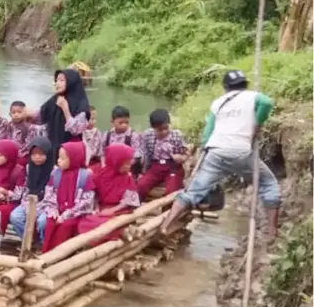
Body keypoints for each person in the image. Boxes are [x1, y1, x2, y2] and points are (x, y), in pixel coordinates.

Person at [160, 70, 280, 237]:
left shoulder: (218, 103)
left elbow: (208, 132)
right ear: (245, 84)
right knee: (268, 184)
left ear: (225, 87)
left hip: (216, 151)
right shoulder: (253, 96)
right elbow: (267, 103)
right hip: (241, 152)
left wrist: (204, 150)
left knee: (192, 192)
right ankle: (272, 230)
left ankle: (166, 224)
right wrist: (257, 124)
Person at [77, 144, 141, 244]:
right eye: (126, 164)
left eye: (129, 164)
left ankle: (117, 234)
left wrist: (112, 210)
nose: (129, 167)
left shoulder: (128, 178)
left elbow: (129, 201)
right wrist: (96, 207)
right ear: (115, 162)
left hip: (119, 210)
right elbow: (95, 194)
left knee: (105, 225)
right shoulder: (101, 175)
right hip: (102, 209)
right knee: (84, 222)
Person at [39, 141, 96, 253]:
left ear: (74, 159)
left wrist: (66, 215)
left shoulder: (84, 176)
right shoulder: (56, 173)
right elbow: (50, 193)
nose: (58, 161)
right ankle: (46, 252)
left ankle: (58, 254)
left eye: (63, 158)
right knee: (50, 222)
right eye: (58, 157)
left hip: (75, 214)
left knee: (66, 225)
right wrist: (53, 209)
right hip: (58, 210)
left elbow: (86, 202)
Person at [36, 69, 91, 161]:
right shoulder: (55, 98)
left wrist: (65, 108)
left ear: (71, 82)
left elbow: (76, 130)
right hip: (53, 145)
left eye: (61, 80)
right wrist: (24, 113)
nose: (57, 83)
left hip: (70, 150)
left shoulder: (81, 103)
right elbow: (41, 115)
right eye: (56, 80)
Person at [136, 109, 189, 200]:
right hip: (155, 167)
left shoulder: (176, 135)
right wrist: (143, 172)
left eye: (166, 128)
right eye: (160, 130)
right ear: (153, 128)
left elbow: (186, 154)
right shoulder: (148, 135)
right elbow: (145, 154)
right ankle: (136, 205)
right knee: (141, 185)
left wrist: (181, 158)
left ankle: (168, 208)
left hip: (173, 167)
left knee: (171, 190)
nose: (164, 132)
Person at [10, 137, 55, 243]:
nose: (37, 157)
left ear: (48, 154)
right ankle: (29, 241)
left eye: (41, 154)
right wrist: (27, 205)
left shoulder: (54, 171)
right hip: (29, 202)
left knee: (42, 221)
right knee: (15, 217)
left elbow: (53, 194)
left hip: (47, 205)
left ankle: (43, 243)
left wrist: (37, 207)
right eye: (34, 154)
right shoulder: (28, 168)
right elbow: (25, 190)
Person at [102, 106, 143, 176]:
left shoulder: (133, 135)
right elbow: (103, 152)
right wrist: (104, 164)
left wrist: (127, 165)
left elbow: (137, 154)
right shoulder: (107, 135)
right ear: (112, 121)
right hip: (111, 166)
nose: (124, 125)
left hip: (127, 167)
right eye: (120, 123)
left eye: (126, 122)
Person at [8, 100, 46, 166]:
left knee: (20, 162)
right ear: (10, 114)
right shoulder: (9, 125)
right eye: (13, 112)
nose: (16, 115)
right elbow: (7, 139)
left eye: (19, 112)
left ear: (25, 113)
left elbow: (28, 145)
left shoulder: (29, 127)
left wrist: (18, 154)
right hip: (11, 152)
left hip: (23, 154)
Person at [82, 105, 102, 173]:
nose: (94, 121)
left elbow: (99, 151)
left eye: (94, 119)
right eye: (92, 119)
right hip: (82, 162)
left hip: (93, 162)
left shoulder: (97, 132)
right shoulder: (80, 132)